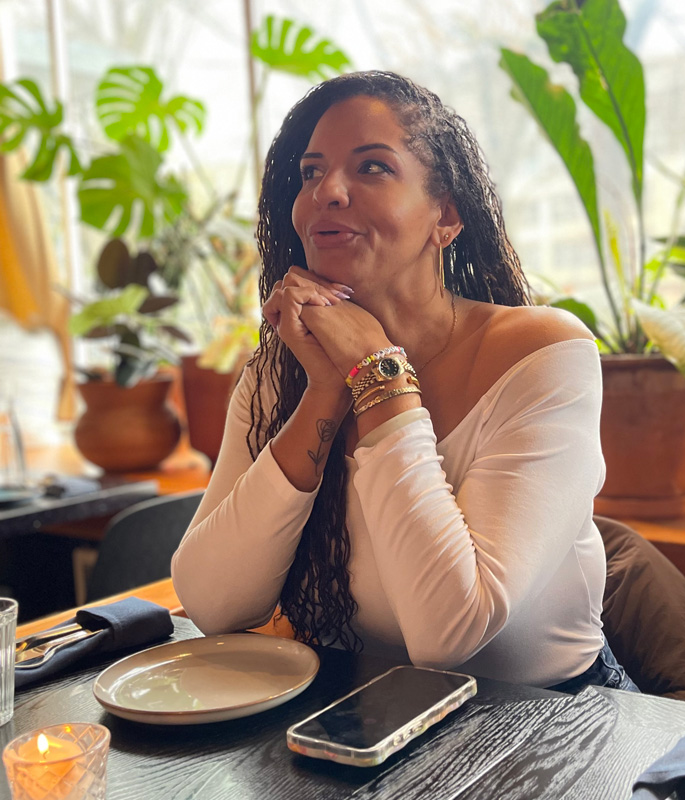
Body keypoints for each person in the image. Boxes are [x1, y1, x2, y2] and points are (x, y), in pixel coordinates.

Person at [171, 70, 638, 692]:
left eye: (372, 168)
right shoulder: (277, 374)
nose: (327, 192)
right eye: (311, 172)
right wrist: (327, 391)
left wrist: (379, 374)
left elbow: (452, 629)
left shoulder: (543, 354)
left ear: (445, 216)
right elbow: (214, 603)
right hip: (358, 723)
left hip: (547, 732)